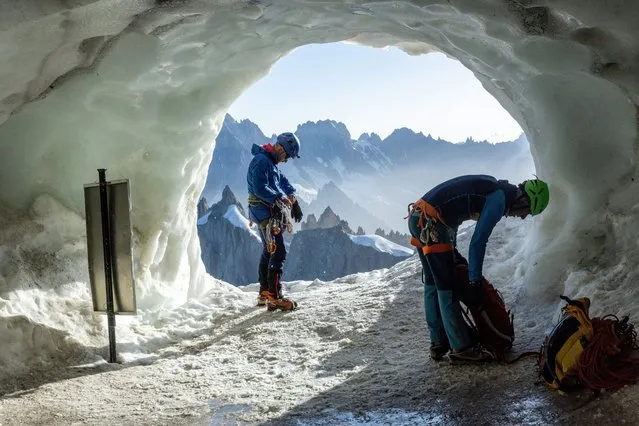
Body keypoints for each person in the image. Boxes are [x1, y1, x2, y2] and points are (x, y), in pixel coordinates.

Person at [407, 175, 549, 363]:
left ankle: (438, 341)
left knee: (433, 283)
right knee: (446, 287)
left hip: (419, 216)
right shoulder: (499, 199)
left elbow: (453, 215)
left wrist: (452, 248)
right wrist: (475, 281)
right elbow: (478, 242)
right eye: (527, 211)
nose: (522, 216)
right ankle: (462, 348)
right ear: (524, 199)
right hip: (433, 224)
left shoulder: (492, 187)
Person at [247, 132, 304, 311]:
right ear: (281, 148)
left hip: (263, 212)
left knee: (268, 250)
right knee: (278, 252)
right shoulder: (262, 161)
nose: (286, 160)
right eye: (287, 155)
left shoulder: (269, 161)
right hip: (265, 212)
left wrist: (292, 196)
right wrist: (278, 200)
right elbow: (259, 187)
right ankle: (275, 296)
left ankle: (264, 293)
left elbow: (281, 180)